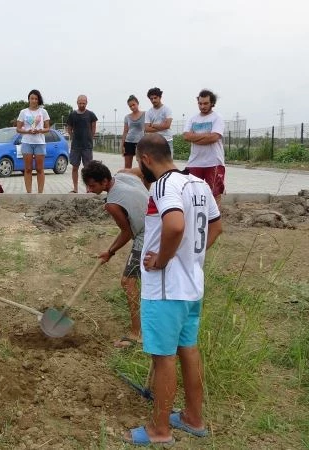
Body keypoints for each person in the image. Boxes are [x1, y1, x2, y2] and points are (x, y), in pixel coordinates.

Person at [121, 133, 222, 446]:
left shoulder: (164, 185)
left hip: (166, 289)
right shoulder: (199, 184)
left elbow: (175, 225)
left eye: (140, 163)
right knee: (188, 350)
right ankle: (193, 418)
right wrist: (190, 256)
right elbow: (217, 226)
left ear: (146, 159)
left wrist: (163, 260)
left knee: (163, 358)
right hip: (191, 286)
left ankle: (160, 430)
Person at [81, 161, 149, 347]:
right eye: (87, 185)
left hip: (147, 236)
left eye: (92, 185)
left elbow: (127, 233)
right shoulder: (125, 174)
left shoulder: (112, 204)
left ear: (104, 181)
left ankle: (137, 334)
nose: (89, 190)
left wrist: (110, 252)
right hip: (160, 224)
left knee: (128, 282)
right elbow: (144, 171)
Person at [183, 89, 225, 206]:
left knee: (215, 193)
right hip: (194, 162)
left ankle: (215, 216)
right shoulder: (192, 118)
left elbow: (214, 137)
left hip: (214, 162)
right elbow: (186, 136)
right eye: (200, 103)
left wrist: (194, 137)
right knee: (193, 192)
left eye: (206, 103)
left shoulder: (217, 118)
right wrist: (206, 136)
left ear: (212, 103)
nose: (202, 106)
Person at [16, 89, 51, 193]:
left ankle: (40, 193)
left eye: (36, 98)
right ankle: (29, 192)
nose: (34, 100)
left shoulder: (43, 112)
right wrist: (27, 131)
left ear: (38, 100)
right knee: (28, 169)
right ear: (29, 99)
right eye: (32, 98)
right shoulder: (23, 112)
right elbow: (18, 129)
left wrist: (40, 130)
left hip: (40, 143)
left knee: (40, 169)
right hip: (27, 142)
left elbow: (47, 128)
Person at [65, 95, 98, 193]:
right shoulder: (72, 115)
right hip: (75, 146)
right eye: (80, 103)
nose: (82, 105)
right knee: (75, 167)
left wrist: (90, 138)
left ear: (86, 103)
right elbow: (69, 128)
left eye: (83, 103)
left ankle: (88, 188)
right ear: (77, 103)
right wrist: (73, 136)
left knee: (88, 169)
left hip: (87, 146)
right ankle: (75, 188)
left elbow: (93, 128)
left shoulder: (91, 115)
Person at [144, 87, 174, 157]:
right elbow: (147, 129)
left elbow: (167, 125)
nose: (153, 100)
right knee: (155, 163)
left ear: (160, 97)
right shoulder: (148, 112)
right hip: (154, 142)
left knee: (168, 162)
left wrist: (153, 125)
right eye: (151, 99)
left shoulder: (167, 110)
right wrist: (162, 126)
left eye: (155, 98)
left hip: (167, 141)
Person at [120, 95, 145, 169]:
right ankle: (127, 176)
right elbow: (125, 131)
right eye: (130, 106)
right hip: (128, 142)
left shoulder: (145, 114)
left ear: (137, 103)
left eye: (133, 105)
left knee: (142, 165)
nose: (132, 107)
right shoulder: (127, 117)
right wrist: (122, 145)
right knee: (127, 166)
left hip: (141, 142)